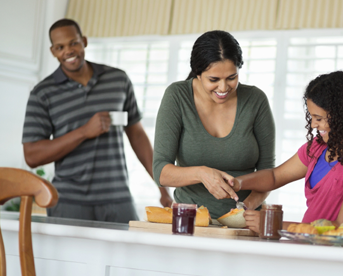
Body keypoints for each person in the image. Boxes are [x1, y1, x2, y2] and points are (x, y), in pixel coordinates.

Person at [22, 19, 172, 223]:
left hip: (118, 198)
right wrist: (84, 131)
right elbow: (31, 155)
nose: (68, 51)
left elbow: (137, 136)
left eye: (73, 43)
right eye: (60, 47)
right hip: (68, 202)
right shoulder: (42, 93)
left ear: (84, 41)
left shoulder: (118, 80)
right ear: (53, 51)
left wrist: (162, 186)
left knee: (129, 254)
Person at [231, 71, 343, 232]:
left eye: (319, 118)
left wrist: (273, 223)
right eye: (312, 118)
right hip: (309, 251)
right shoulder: (318, 148)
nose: (313, 125)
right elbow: (275, 177)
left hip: (342, 257)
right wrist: (236, 183)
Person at [152, 30, 275, 219]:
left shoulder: (255, 100)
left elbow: (268, 174)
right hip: (190, 221)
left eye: (231, 77)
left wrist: (243, 210)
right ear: (198, 73)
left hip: (247, 222)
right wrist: (201, 173)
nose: (223, 88)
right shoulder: (177, 96)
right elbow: (161, 172)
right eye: (214, 80)